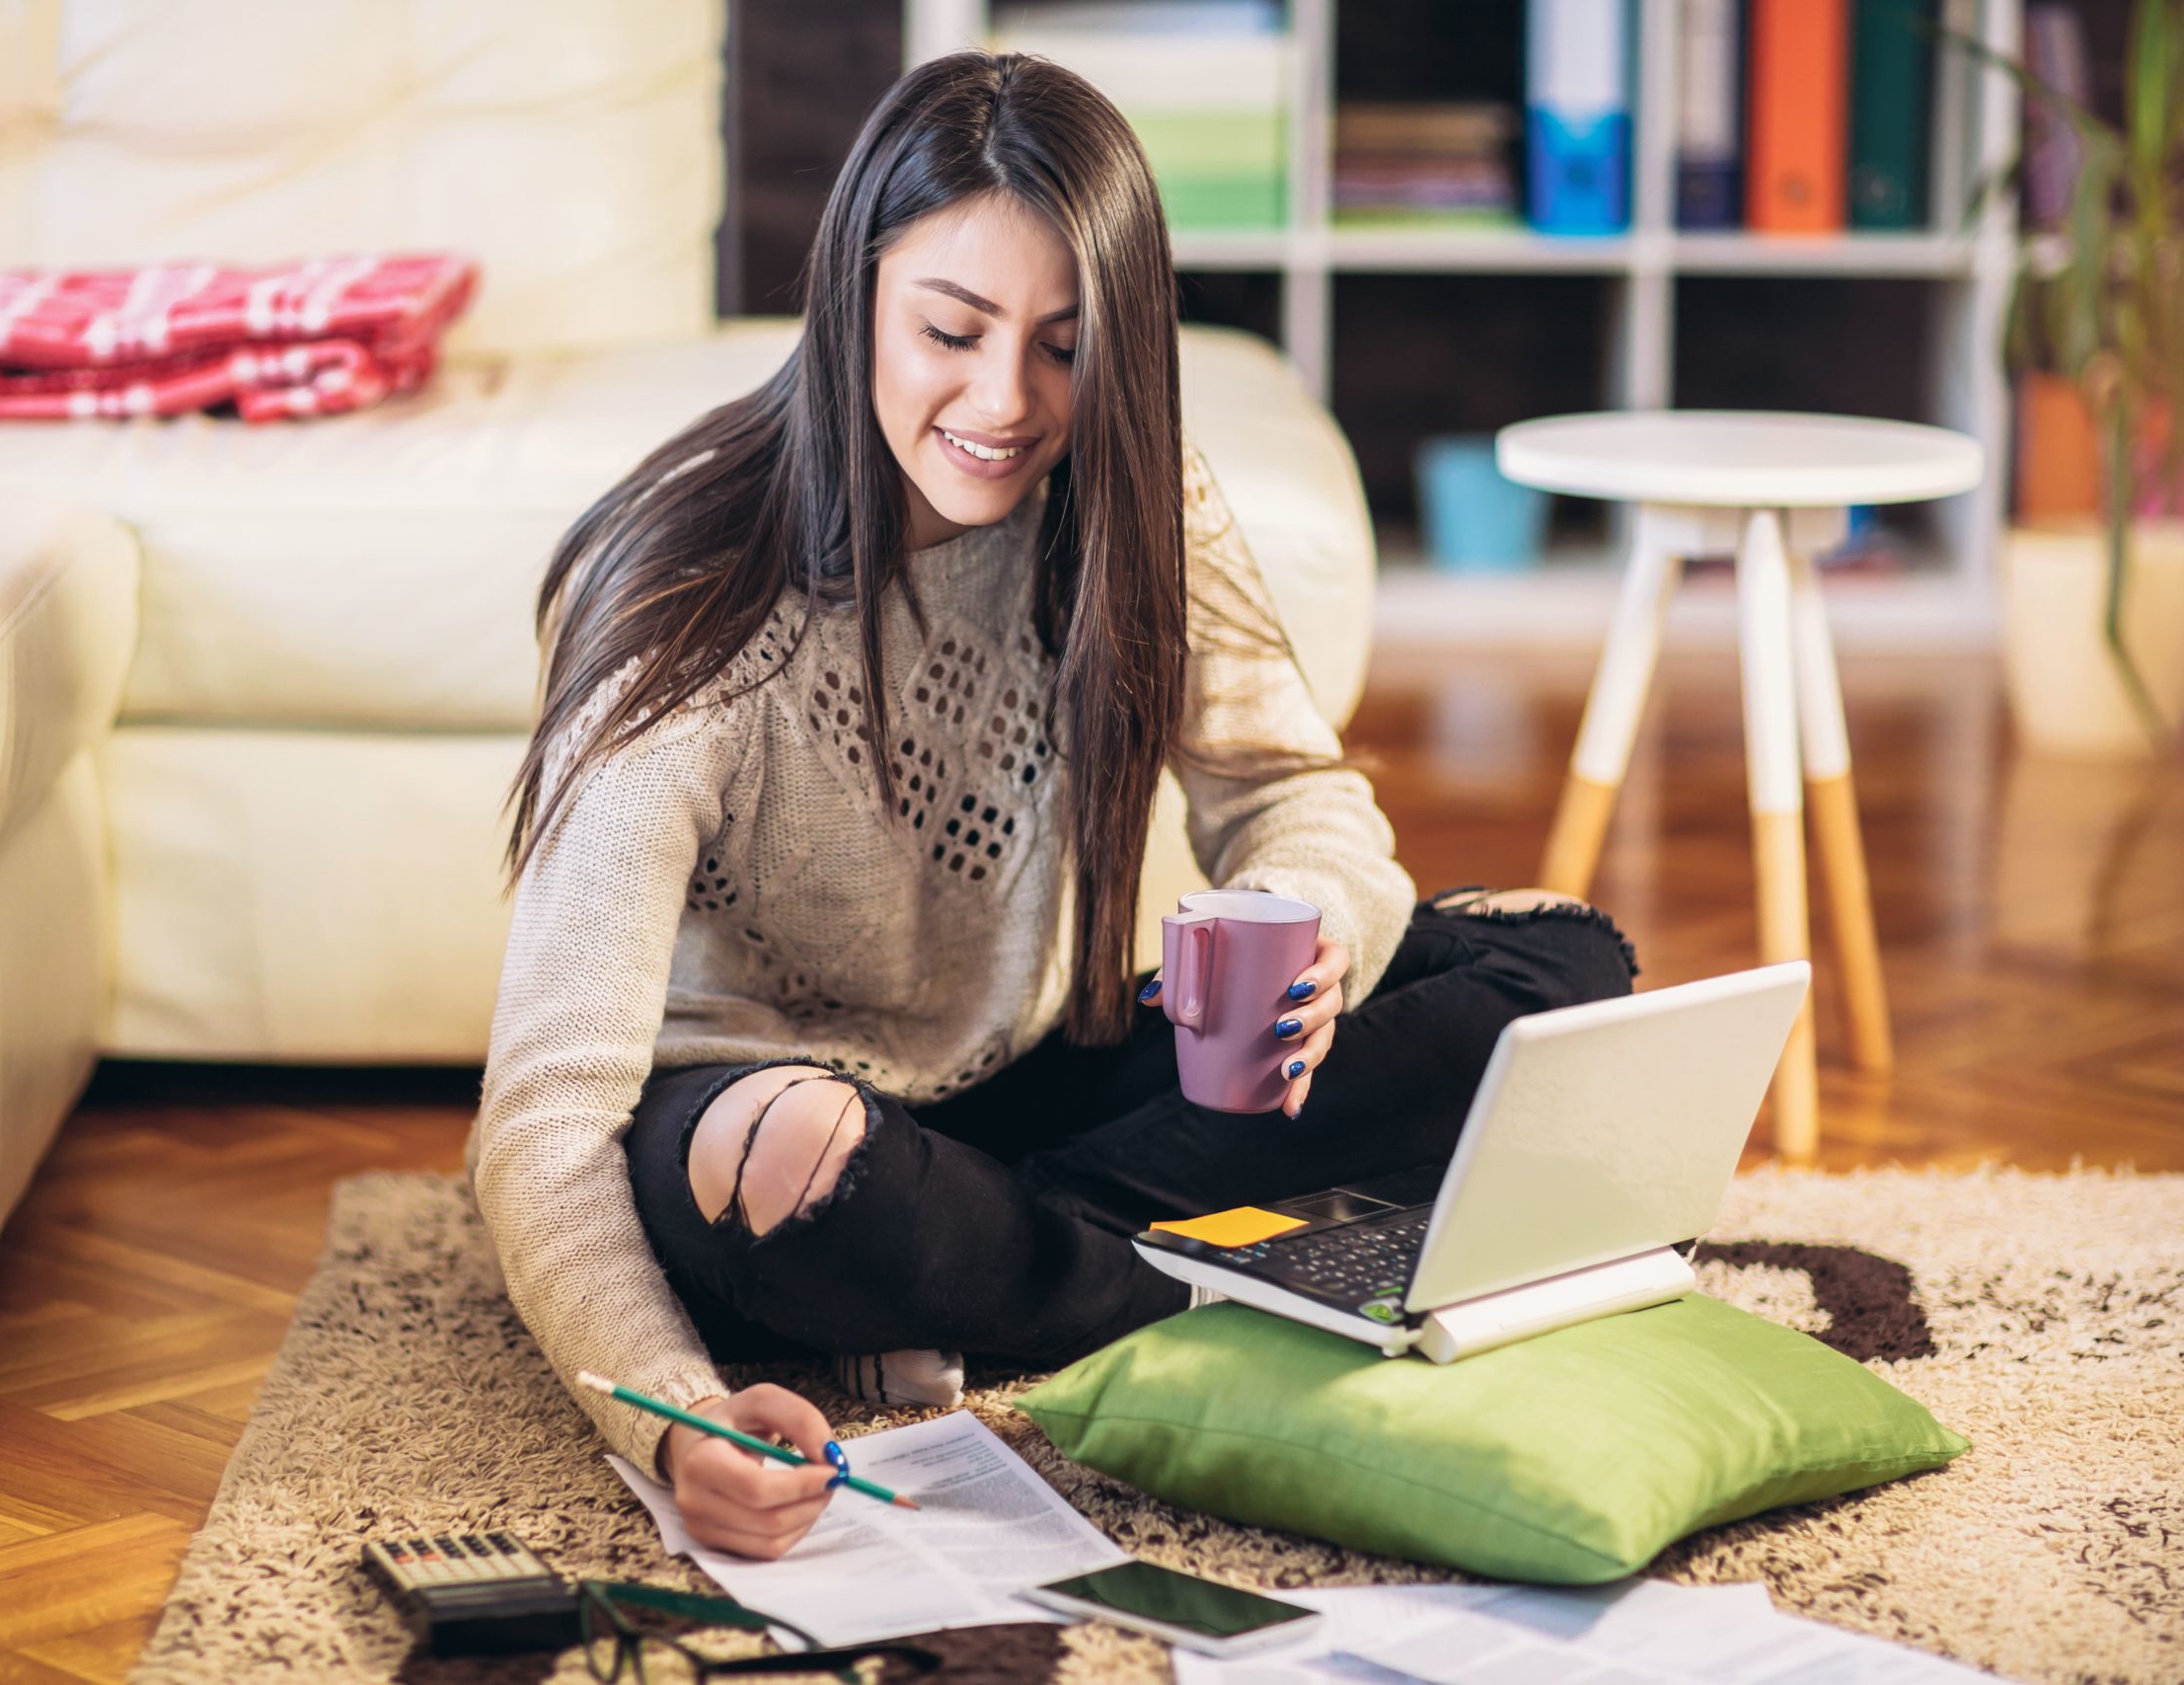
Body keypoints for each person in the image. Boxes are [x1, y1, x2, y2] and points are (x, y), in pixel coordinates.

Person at [467, 50, 1637, 1564]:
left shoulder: (1138, 508)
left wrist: (1325, 937)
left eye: (1065, 348)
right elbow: (545, 1117)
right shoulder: (689, 612)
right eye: (951, 331)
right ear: (854, 297)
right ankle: (1214, 1270)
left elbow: (1296, 796)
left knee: (1559, 974)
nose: (1005, 403)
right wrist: (672, 1417)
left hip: (1033, 1079)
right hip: (776, 1132)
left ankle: (999, 1271)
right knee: (816, 1167)